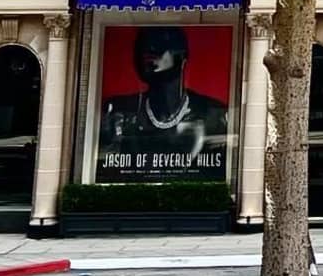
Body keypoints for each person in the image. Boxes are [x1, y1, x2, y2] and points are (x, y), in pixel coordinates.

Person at [97, 27, 229, 177]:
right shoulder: (119, 112)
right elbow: (106, 169)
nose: (148, 53)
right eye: (142, 48)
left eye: (159, 46)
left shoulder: (214, 114)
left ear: (181, 57)